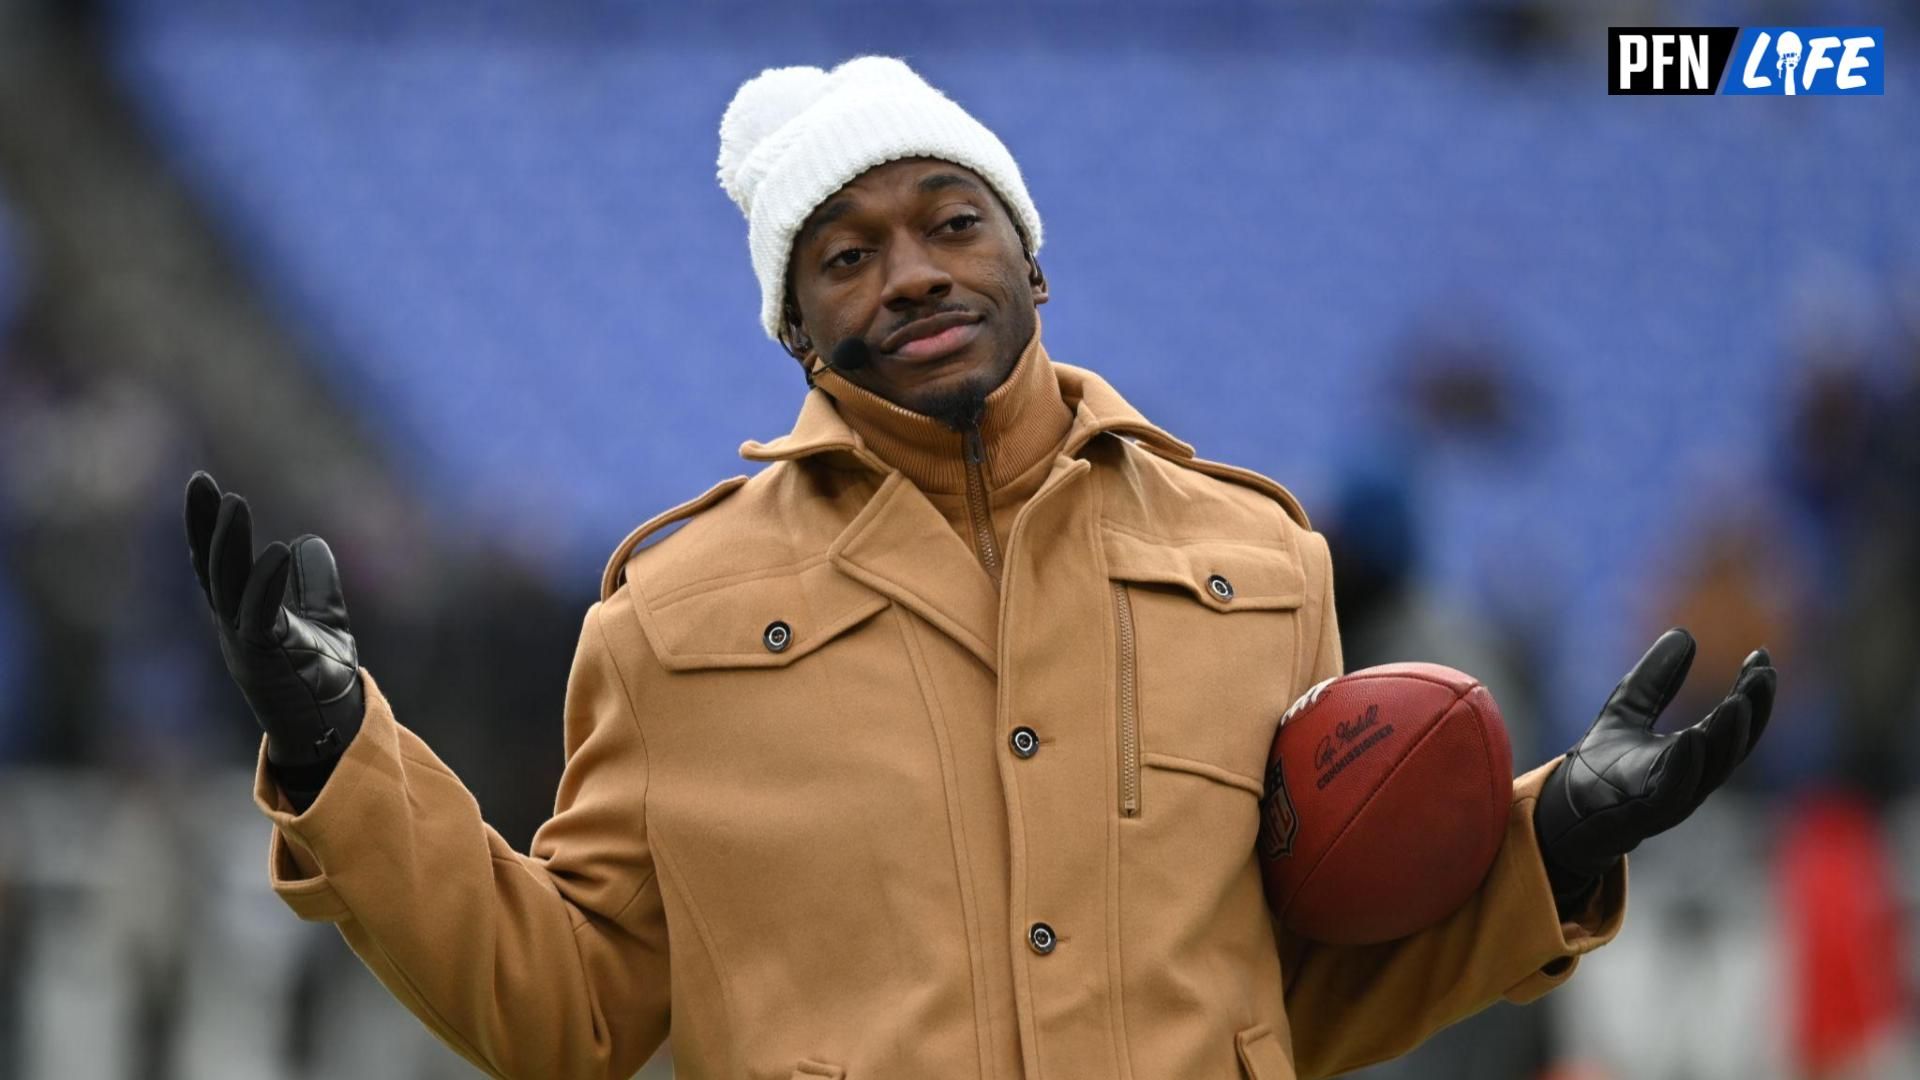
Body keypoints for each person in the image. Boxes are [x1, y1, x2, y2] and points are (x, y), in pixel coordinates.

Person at [181, 56, 1776, 1080]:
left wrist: (1546, 838)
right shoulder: (667, 620)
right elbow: (571, 1012)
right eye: (848, 255)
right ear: (796, 328)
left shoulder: (1259, 562)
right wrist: (342, 759)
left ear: (1031, 252)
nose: (914, 272)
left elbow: (1292, 993)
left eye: (951, 221)